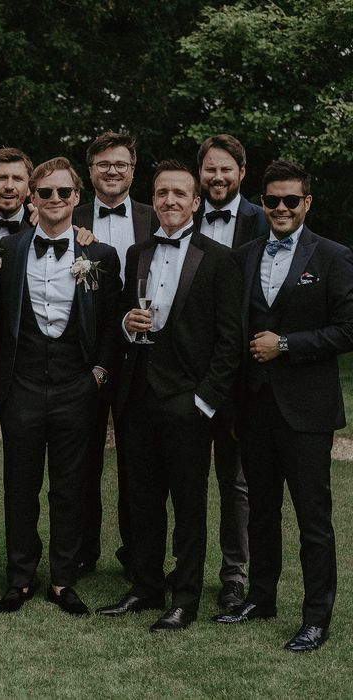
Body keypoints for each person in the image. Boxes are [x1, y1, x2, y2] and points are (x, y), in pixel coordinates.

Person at [213, 160, 353, 652]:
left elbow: (348, 328)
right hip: (254, 408)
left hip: (306, 410)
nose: (280, 209)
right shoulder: (245, 255)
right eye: (271, 200)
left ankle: (316, 617)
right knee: (261, 512)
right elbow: (231, 336)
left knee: (313, 519)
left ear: (306, 203)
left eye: (290, 200)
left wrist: (286, 344)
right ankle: (261, 597)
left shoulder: (333, 256)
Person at [96, 160, 241, 632]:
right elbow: (120, 313)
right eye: (161, 194)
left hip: (187, 400)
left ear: (195, 202)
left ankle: (185, 597)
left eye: (180, 194)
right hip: (138, 396)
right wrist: (124, 323)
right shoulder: (138, 251)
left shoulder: (219, 259)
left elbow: (229, 340)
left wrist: (204, 401)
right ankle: (143, 585)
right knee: (141, 498)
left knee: (188, 503)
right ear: (152, 199)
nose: (170, 201)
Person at [0, 157, 121, 616]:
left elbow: (110, 324)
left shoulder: (100, 256)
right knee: (20, 484)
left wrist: (99, 373)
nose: (54, 200)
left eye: (62, 193)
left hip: (76, 386)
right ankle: (20, 577)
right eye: (44, 193)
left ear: (76, 198)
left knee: (70, 486)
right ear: (32, 197)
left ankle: (64, 580)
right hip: (22, 384)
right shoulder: (6, 251)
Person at [71, 131, 156, 578]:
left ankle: (136, 552)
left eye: (120, 163)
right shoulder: (70, 214)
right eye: (103, 164)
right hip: (86, 356)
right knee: (81, 460)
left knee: (136, 461)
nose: (112, 171)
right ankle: (82, 551)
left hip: (142, 358)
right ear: (90, 172)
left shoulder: (156, 214)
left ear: (133, 169)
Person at [192, 134, 268, 611]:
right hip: (191, 375)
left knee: (236, 484)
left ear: (242, 172)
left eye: (226, 169)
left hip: (242, 378)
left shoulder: (265, 220)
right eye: (210, 169)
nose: (217, 177)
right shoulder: (182, 215)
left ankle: (235, 574)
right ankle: (183, 569)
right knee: (186, 478)